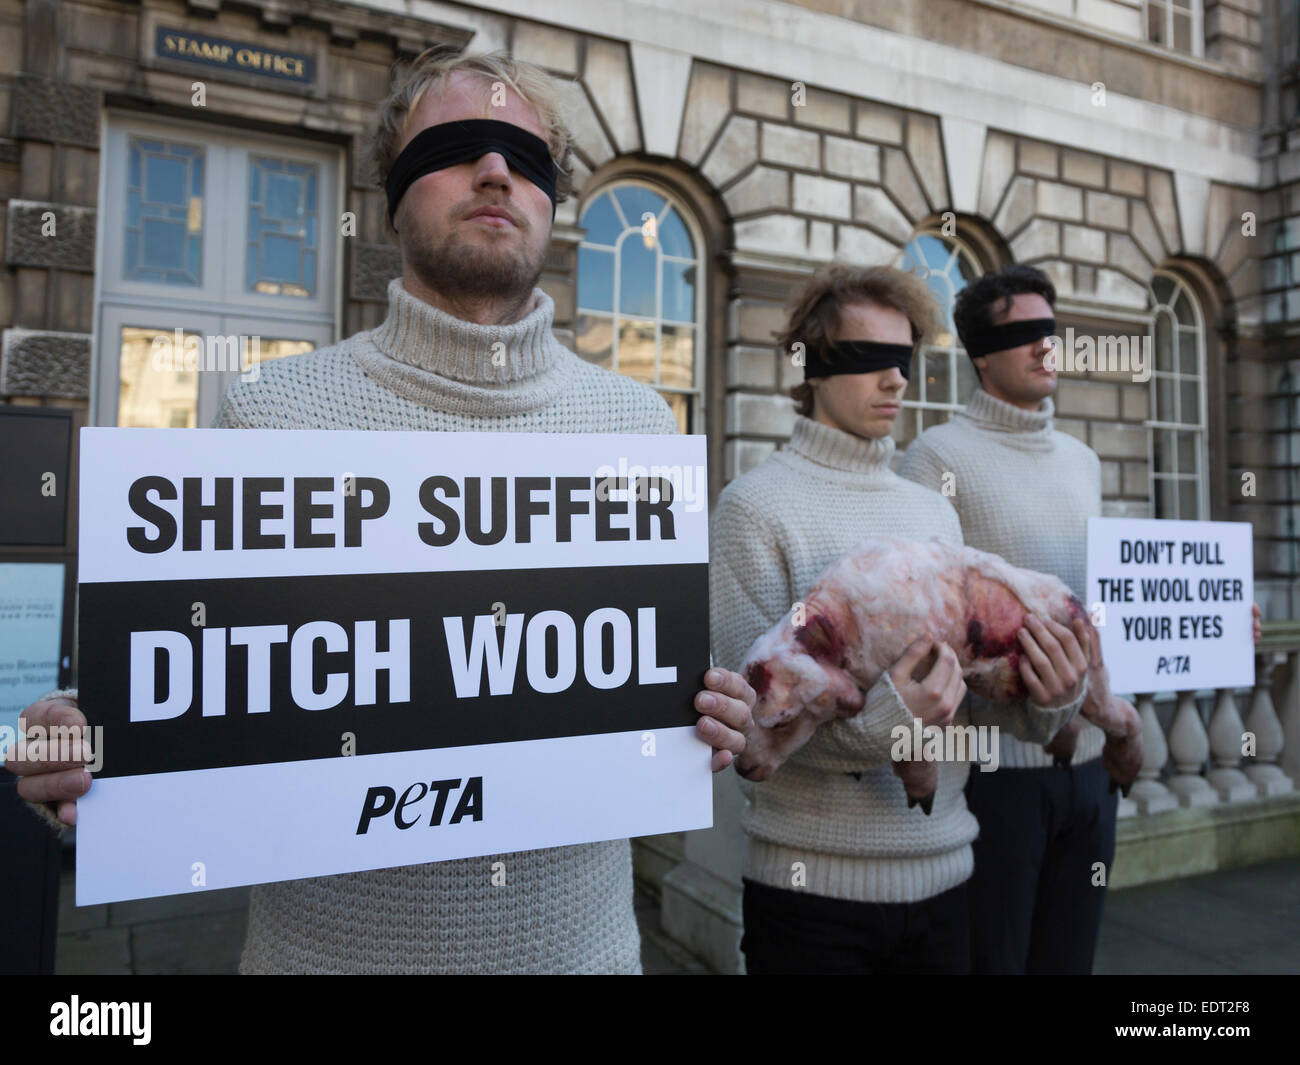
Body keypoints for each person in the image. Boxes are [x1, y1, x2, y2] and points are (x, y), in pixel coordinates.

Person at [8, 48, 753, 975]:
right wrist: (81, 745)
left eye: (528, 157)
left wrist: (710, 711)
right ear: (391, 194)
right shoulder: (267, 412)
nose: (496, 171)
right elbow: (200, 675)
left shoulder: (638, 424)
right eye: (458, 146)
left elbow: (651, 685)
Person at [710, 263, 1091, 975]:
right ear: (813, 365)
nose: (895, 380)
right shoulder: (753, 509)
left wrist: (1053, 694)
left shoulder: (930, 510)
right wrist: (896, 719)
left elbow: (973, 696)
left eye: (904, 358)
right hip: (811, 892)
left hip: (947, 878)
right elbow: (753, 726)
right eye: (868, 358)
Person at [897, 263, 1262, 974]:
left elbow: (1108, 602)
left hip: (1091, 770)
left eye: (1050, 330)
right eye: (1023, 333)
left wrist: (1215, 624)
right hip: (995, 778)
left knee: (1070, 962)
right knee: (995, 961)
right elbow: (927, 627)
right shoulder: (935, 457)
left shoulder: (1084, 460)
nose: (1045, 346)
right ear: (979, 354)